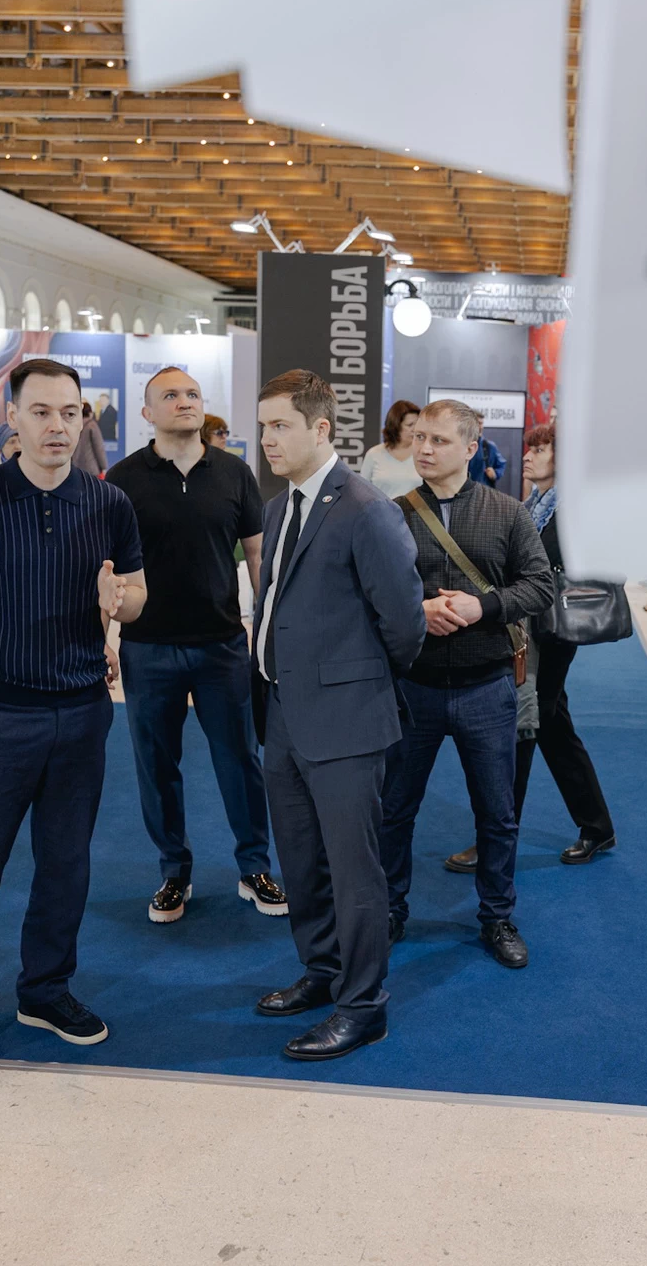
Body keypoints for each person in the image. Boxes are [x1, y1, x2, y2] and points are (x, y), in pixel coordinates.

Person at [0, 358, 147, 1084]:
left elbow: (137, 593)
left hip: (81, 713)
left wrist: (120, 602)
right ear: (11, 417)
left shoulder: (109, 504)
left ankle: (45, 991)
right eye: (41, 412)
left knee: (66, 865)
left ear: (84, 420)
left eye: (70, 413)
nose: (57, 426)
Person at [250, 370, 425, 1062]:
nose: (267, 439)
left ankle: (363, 1005)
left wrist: (354, 683)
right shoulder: (278, 507)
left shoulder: (365, 508)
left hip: (347, 720)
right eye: (263, 426)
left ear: (321, 428)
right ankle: (322, 970)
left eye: (281, 426)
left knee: (355, 872)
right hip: (284, 714)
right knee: (300, 859)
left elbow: (404, 625)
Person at [379, 401, 553, 968]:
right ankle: (389, 910)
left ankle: (497, 916)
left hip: (487, 687)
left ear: (472, 448)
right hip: (414, 687)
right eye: (419, 438)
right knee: (394, 809)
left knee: (497, 814)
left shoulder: (507, 512)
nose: (425, 449)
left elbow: (540, 586)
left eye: (439, 440)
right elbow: (368, 592)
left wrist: (485, 607)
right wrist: (418, 611)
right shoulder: (392, 515)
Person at [105, 367, 283, 923]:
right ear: (147, 413)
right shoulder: (122, 479)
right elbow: (105, 570)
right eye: (170, 395)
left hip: (221, 645)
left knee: (240, 761)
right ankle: (173, 873)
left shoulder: (234, 473)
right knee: (156, 765)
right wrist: (101, 637)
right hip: (147, 647)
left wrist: (267, 632)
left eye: (192, 394)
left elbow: (257, 556)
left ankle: (254, 868)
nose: (185, 402)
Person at [445, 423, 615, 870]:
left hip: (552, 631)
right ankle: (597, 826)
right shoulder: (534, 504)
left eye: (541, 449)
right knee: (551, 724)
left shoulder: (576, 508)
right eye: (530, 449)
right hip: (527, 629)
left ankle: (497, 839)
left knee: (522, 724)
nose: (529, 455)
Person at [358, 400, 423, 498]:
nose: (415, 430)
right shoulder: (374, 454)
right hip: (380, 508)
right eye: (410, 425)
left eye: (417, 424)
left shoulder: (423, 454)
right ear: (395, 426)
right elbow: (361, 491)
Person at [71, 400, 108, 476]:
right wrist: (104, 466)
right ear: (90, 413)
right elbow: (99, 447)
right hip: (91, 469)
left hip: (75, 468)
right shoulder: (92, 426)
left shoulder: (73, 426)